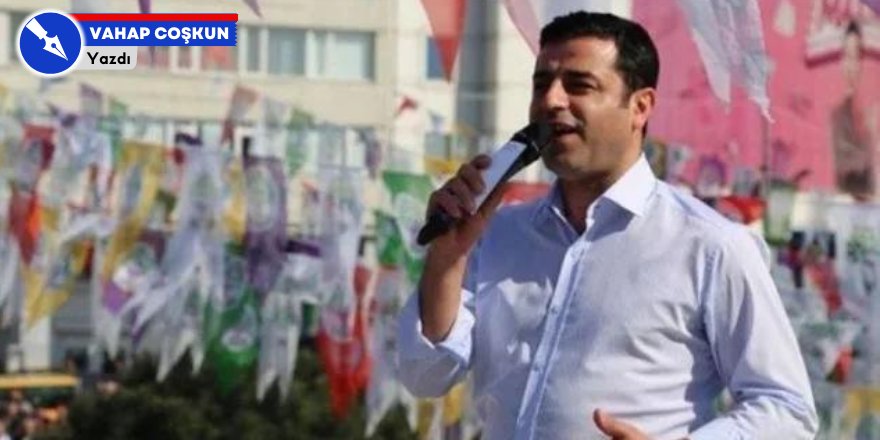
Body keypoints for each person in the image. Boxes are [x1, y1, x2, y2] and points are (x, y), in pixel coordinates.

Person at [397, 11, 818, 440]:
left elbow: (787, 410)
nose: (551, 101)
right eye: (541, 84)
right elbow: (424, 376)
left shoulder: (711, 245)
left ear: (640, 107)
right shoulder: (495, 234)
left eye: (579, 85)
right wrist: (446, 260)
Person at [831, 21, 878, 200]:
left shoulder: (873, 111)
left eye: (856, 56)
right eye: (847, 56)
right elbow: (844, 174)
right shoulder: (838, 115)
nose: (851, 65)